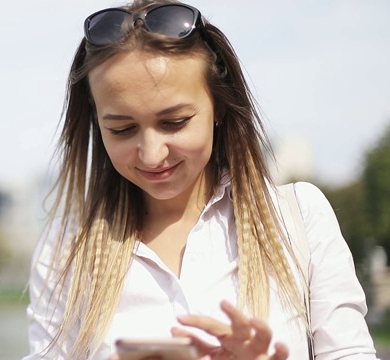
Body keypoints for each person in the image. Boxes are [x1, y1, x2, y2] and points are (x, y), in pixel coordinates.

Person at [23, 0, 379, 359]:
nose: (151, 153)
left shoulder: (299, 219)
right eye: (122, 129)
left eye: (174, 122)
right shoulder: (66, 248)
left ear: (219, 106)